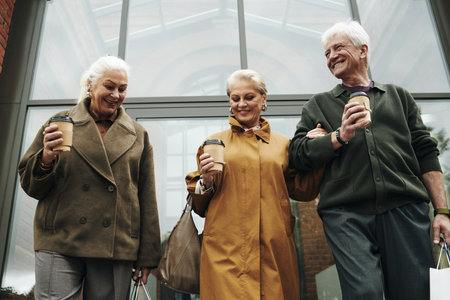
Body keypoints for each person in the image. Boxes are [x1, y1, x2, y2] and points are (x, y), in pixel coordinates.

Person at [289, 20, 450, 300]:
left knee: (414, 293)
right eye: (326, 53)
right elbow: (297, 155)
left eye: (338, 47)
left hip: (405, 211)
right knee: (364, 293)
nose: (331, 56)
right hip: (345, 215)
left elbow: (426, 153)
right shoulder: (318, 105)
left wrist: (442, 211)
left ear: (362, 50)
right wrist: (339, 136)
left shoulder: (399, 97)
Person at [18, 56, 161, 300]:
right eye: (109, 86)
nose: (116, 94)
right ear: (91, 85)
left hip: (116, 244)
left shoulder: (138, 135)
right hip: (60, 238)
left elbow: (146, 197)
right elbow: (30, 185)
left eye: (122, 89)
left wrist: (148, 256)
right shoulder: (60, 122)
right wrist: (46, 158)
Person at [185, 69, 324, 299]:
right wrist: (206, 181)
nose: (241, 104)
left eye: (249, 97)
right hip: (225, 254)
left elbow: (303, 189)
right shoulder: (213, 144)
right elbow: (199, 207)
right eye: (235, 98)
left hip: (273, 249)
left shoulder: (284, 145)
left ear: (263, 99)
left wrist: (319, 151)